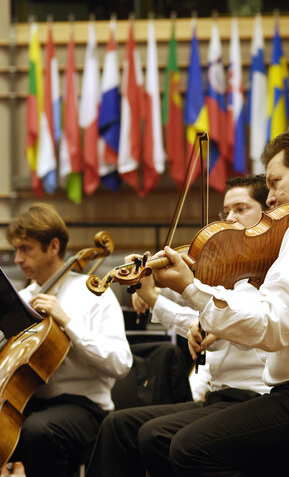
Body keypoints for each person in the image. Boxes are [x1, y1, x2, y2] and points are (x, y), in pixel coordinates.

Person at [150, 128, 289, 477]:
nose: (271, 197)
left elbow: (274, 327)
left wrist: (192, 288)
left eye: (275, 181)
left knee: (189, 448)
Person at [85, 174, 270, 477]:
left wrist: (160, 300)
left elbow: (226, 328)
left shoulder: (266, 273)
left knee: (155, 435)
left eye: (241, 209)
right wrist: (151, 294)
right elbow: (207, 325)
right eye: (226, 212)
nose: (229, 220)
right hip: (218, 396)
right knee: (118, 425)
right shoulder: (229, 274)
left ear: (266, 215)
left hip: (252, 398)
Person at [5, 203, 133, 477]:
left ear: (52, 247)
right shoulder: (23, 299)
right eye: (16, 249)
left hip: (85, 407)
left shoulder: (93, 294)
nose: (17, 259)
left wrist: (68, 323)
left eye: (25, 248)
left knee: (38, 432)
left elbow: (120, 363)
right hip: (28, 403)